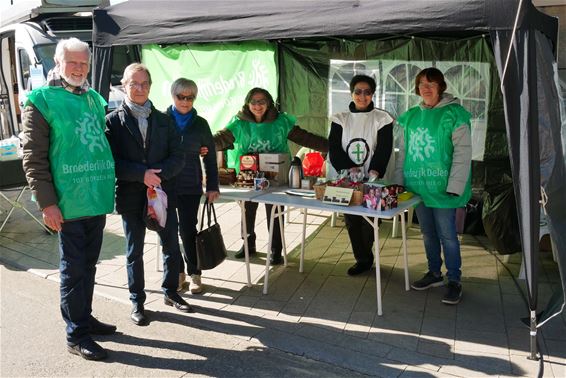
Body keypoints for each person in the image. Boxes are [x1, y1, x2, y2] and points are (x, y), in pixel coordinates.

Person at [22, 37, 116, 360]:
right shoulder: (41, 101)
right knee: (73, 267)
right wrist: (47, 202)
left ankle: (84, 317)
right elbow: (33, 157)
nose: (78, 69)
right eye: (72, 63)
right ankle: (76, 335)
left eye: (83, 64)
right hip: (67, 202)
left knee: (88, 265)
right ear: (58, 64)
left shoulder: (93, 99)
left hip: (95, 198)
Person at [105, 63, 190, 326]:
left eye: (144, 84)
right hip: (131, 196)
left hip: (162, 194)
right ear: (124, 86)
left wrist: (158, 175)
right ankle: (137, 301)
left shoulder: (164, 120)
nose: (139, 88)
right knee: (134, 252)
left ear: (150, 86)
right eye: (134, 84)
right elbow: (111, 162)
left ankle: (170, 291)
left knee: (171, 246)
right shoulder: (112, 122)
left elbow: (179, 156)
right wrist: (140, 174)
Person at [214, 87, 327, 265]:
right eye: (254, 102)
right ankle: (248, 243)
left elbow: (305, 138)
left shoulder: (281, 122)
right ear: (247, 104)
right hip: (248, 175)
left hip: (276, 175)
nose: (257, 106)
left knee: (275, 210)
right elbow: (221, 138)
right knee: (247, 209)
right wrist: (201, 144)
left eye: (262, 102)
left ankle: (276, 250)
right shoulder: (239, 122)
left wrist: (329, 146)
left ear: (269, 104)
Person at [393, 67, 472, 305]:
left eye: (431, 84)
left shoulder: (454, 114)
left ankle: (454, 280)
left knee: (448, 235)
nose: (426, 89)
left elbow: (463, 153)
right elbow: (403, 152)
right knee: (427, 234)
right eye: (421, 84)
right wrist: (399, 182)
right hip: (419, 186)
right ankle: (434, 273)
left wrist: (455, 185)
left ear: (441, 87)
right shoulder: (412, 116)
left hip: (443, 189)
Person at [328, 75, 394, 276]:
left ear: (372, 94)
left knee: (370, 219)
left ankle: (365, 256)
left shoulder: (382, 118)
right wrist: (349, 167)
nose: (362, 96)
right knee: (351, 219)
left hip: (373, 177)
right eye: (358, 91)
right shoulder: (341, 118)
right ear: (352, 93)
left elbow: (384, 148)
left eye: (367, 92)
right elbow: (334, 148)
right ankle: (363, 259)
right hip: (348, 179)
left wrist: (374, 170)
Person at [166, 78, 219, 294]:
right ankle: (177, 274)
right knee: (168, 232)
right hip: (166, 186)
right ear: (173, 95)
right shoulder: (161, 120)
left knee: (188, 230)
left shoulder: (201, 123)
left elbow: (210, 156)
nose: (185, 102)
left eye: (190, 97)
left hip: (190, 185)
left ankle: (195, 273)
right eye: (181, 97)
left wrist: (213, 186)